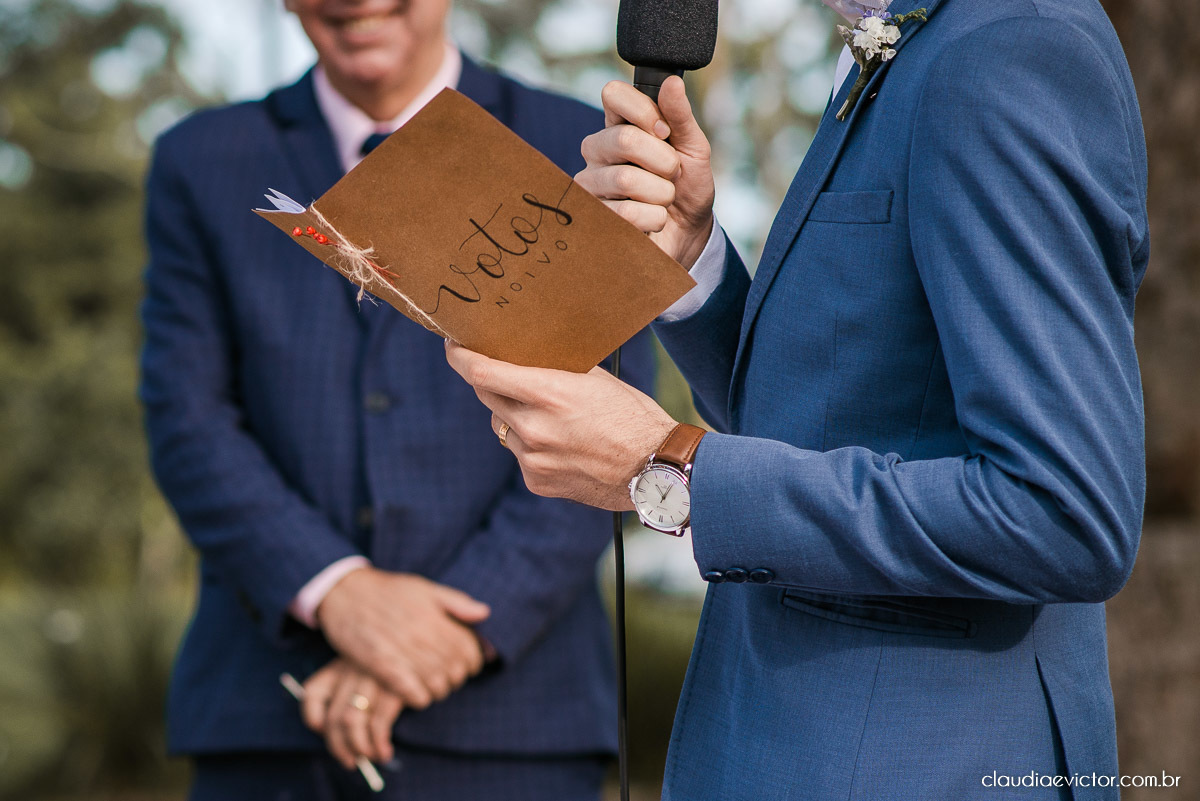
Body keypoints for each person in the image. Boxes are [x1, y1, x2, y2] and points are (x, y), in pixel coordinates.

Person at [446, 0, 1149, 797]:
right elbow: (838, 414)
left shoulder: (1010, 49)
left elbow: (1062, 512)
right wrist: (691, 259)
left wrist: (673, 469)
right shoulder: (906, 39)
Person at [139, 1, 653, 799]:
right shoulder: (200, 158)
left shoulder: (580, 147)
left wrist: (438, 636)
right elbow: (187, 419)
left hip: (517, 725)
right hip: (270, 722)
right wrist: (335, 590)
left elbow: (617, 431)